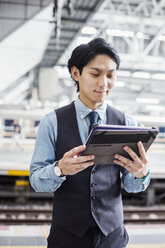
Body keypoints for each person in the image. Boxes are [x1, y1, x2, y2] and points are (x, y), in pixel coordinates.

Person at [30, 38, 150, 248]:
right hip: (66, 237)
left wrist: (141, 174)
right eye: (95, 74)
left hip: (112, 237)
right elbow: (36, 180)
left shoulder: (127, 123)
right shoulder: (52, 122)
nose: (104, 83)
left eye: (110, 75)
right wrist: (59, 169)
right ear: (76, 73)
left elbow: (132, 187)